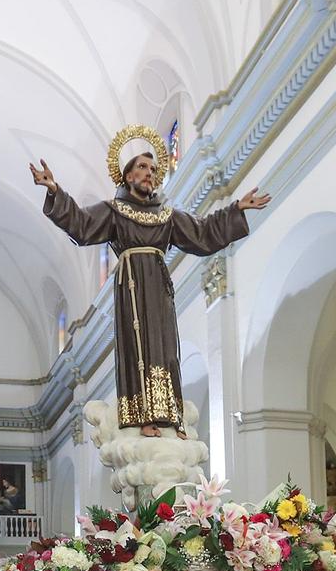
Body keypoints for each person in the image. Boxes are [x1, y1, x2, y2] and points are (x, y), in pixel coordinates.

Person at [31, 140, 266, 432]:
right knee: (137, 346)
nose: (149, 173)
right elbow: (81, 224)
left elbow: (202, 232)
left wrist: (236, 209)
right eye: (142, 167)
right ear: (128, 175)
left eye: (154, 169)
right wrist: (55, 190)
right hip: (131, 286)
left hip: (158, 286)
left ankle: (169, 416)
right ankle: (142, 418)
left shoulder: (166, 215)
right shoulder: (114, 211)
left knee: (165, 347)